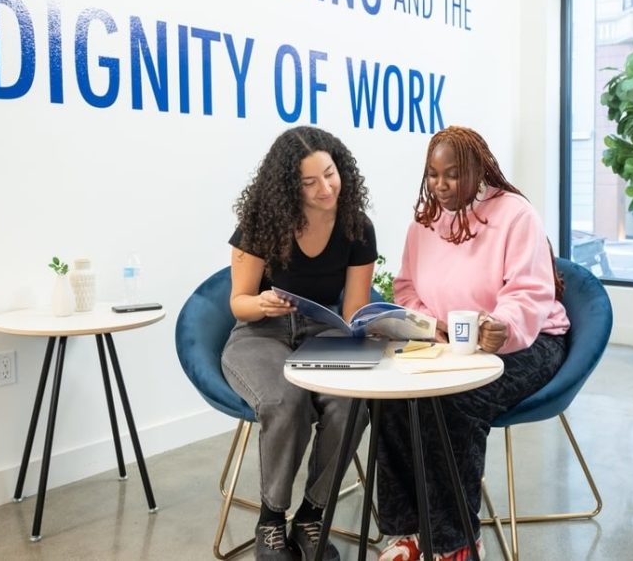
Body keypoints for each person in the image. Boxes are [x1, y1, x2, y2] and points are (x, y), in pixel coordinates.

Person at [375, 126, 571, 561]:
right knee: (389, 399)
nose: (441, 186)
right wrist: (433, 326)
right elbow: (406, 289)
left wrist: (503, 326)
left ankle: (455, 541)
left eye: (452, 175)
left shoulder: (515, 215)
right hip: (452, 345)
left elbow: (530, 293)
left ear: (478, 171)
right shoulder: (423, 224)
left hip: (530, 342)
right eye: (432, 175)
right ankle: (404, 531)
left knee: (451, 403)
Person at [223, 126, 375, 561]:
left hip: (322, 332)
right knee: (283, 401)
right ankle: (271, 518)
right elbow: (239, 303)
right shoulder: (261, 223)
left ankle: (312, 514)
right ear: (289, 187)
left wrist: (369, 329)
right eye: (309, 182)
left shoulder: (357, 227)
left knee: (352, 403)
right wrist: (262, 302)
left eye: (329, 174)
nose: (325, 188)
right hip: (262, 332)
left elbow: (354, 312)